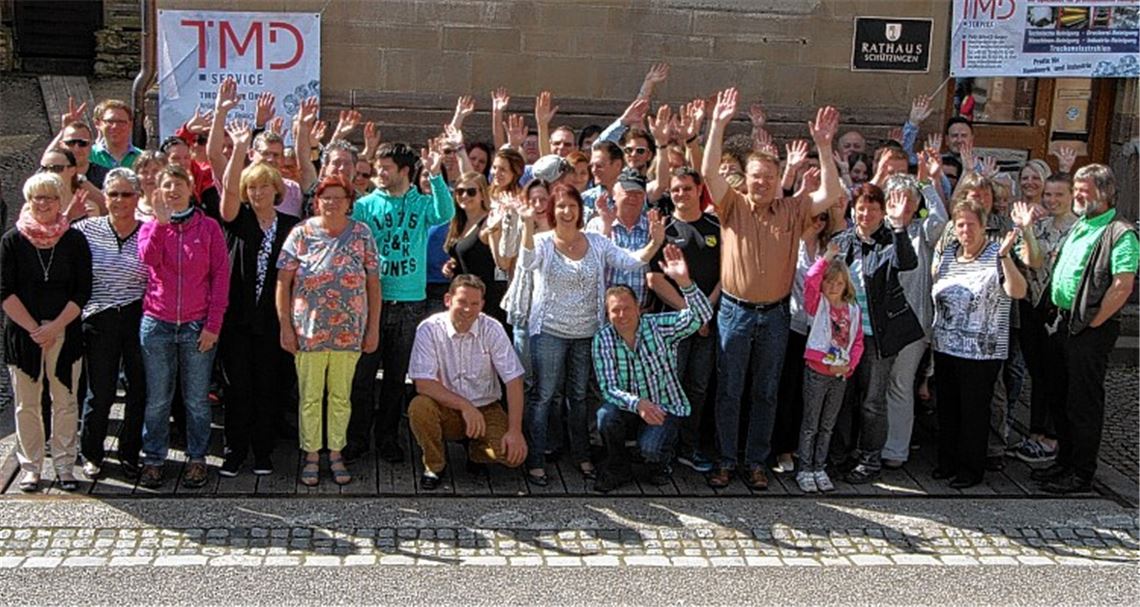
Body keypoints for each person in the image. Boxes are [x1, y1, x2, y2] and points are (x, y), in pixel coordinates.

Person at [699, 88, 844, 490]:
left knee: (765, 393)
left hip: (776, 314)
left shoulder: (793, 209)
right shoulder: (733, 206)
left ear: (778, 179)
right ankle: (726, 460)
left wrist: (824, 147)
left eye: (768, 177)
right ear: (745, 180)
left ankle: (756, 462)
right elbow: (709, 172)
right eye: (755, 177)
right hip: (734, 312)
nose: (761, 183)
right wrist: (717, 125)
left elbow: (830, 194)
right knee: (729, 392)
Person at [518, 184, 664, 486]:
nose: (567, 212)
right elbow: (525, 262)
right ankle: (535, 461)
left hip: (587, 333)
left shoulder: (597, 242)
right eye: (560, 206)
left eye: (572, 206)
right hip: (549, 331)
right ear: (552, 211)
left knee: (580, 398)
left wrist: (655, 242)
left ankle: (582, 456)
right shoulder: (542, 241)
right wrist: (526, 226)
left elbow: (630, 261)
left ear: (579, 210)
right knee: (544, 397)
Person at [346, 143, 453, 464]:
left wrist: (434, 175)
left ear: (405, 171)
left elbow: (445, 212)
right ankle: (357, 438)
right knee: (362, 376)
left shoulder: (421, 204)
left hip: (410, 303)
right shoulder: (365, 205)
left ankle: (388, 437)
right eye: (378, 166)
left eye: (386, 167)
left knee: (396, 377)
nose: (380, 172)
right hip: (371, 301)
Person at [1035, 164, 1138, 494]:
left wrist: (1092, 322)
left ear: (1105, 193)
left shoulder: (1121, 233)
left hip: (1089, 329)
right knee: (1060, 397)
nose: (1077, 195)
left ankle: (1081, 473)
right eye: (1076, 188)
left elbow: (1122, 286)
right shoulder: (1082, 223)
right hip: (1062, 323)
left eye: (1084, 189)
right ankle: (1064, 461)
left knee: (1083, 402)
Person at [277, 175, 381, 487]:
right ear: (316, 202)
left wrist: (372, 328)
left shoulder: (362, 234)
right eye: (326, 197)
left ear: (350, 202)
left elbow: (374, 284)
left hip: (349, 332)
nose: (332, 203)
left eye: (339, 197)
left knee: (340, 396)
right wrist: (285, 326)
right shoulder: (301, 233)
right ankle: (311, 454)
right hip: (308, 331)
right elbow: (283, 282)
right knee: (309, 397)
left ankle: (336, 452)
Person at [215, 123, 301, 477]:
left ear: (276, 189)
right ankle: (234, 452)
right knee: (237, 389)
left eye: (264, 185)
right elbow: (229, 196)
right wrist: (238, 148)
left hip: (273, 322)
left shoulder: (291, 226)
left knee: (268, 387)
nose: (258, 192)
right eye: (252, 186)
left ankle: (263, 453)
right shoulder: (238, 220)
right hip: (236, 321)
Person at [137, 165, 230, 489]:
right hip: (158, 323)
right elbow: (148, 259)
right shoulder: (150, 226)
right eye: (166, 185)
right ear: (157, 191)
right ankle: (153, 459)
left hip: (196, 325)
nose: (173, 191)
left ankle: (197, 458)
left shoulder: (209, 229)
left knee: (195, 399)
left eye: (179, 184)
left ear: (191, 188)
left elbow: (220, 279)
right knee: (159, 399)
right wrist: (161, 225)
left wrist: (213, 325)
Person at [592, 244, 714, 492]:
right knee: (605, 416)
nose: (622, 314)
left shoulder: (659, 326)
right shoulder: (603, 338)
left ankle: (660, 461)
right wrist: (638, 403)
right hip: (631, 406)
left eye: (627, 307)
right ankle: (618, 466)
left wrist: (685, 283)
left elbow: (701, 317)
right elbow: (608, 387)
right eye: (615, 310)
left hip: (664, 404)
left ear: (639, 307)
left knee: (651, 450)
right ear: (607, 314)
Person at [1, 173, 92, 492]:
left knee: (65, 399)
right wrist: (35, 329)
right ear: (29, 201)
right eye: (37, 198)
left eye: (50, 198)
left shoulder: (74, 240)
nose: (43, 204)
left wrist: (54, 327)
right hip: (24, 332)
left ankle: (66, 464)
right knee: (27, 403)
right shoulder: (12, 240)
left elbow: (83, 291)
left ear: (60, 202)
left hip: (64, 329)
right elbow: (4, 290)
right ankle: (31, 467)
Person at [827, 184, 924, 483]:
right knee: (842, 398)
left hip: (878, 335)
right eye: (861, 207)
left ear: (882, 212)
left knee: (872, 400)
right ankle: (840, 455)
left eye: (872, 208)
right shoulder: (841, 241)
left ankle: (870, 459)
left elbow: (908, 262)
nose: (865, 213)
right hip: (845, 334)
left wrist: (897, 226)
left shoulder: (890, 241)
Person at [931, 200, 1025, 489]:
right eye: (960, 224)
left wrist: (1006, 257)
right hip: (945, 345)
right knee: (947, 408)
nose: (966, 230)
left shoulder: (997, 254)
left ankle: (971, 469)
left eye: (972, 224)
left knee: (974, 411)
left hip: (982, 351)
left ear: (984, 226)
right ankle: (947, 462)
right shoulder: (948, 253)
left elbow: (1018, 291)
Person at [407, 274, 528, 490]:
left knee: (512, 456)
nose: (468, 309)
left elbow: (514, 379)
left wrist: (515, 430)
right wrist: (465, 406)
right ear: (448, 300)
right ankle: (434, 465)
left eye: (474, 304)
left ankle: (477, 452)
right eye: (462, 302)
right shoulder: (429, 328)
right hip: (446, 409)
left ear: (482, 304)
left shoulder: (493, 328)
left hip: (486, 408)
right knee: (419, 407)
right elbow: (423, 383)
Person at [645, 167, 721, 473]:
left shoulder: (715, 227)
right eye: (675, 189)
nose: (680, 194)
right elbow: (654, 278)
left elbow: (724, 277)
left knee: (698, 388)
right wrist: (691, 314)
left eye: (686, 189)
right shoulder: (665, 229)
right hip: (672, 322)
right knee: (669, 386)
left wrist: (705, 313)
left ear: (699, 189)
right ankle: (662, 452)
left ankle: (688, 449)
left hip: (708, 323)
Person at [75, 168, 148, 480]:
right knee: (100, 391)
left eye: (126, 194)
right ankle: (91, 453)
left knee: (138, 390)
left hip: (137, 316)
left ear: (137, 197)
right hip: (99, 318)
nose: (119, 200)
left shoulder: (148, 231)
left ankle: (130, 454)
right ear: (104, 197)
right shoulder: (86, 230)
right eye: (113, 194)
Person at [1010, 173, 1077, 463]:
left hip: (1061, 311)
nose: (1051, 200)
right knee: (1038, 373)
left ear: (1073, 196)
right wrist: (1026, 231)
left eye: (1058, 195)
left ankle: (1052, 437)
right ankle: (1036, 433)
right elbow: (1032, 260)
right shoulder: (1042, 225)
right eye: (1048, 195)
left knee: (1056, 375)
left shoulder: (1079, 229)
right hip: (1033, 306)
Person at [797, 245, 863, 493]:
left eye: (839, 283)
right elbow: (811, 280)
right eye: (830, 282)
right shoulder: (818, 305)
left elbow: (857, 342)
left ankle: (819, 466)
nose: (834, 287)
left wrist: (850, 366)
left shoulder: (853, 309)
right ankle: (805, 467)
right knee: (811, 423)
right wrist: (825, 259)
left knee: (828, 424)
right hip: (817, 370)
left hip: (839, 373)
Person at [445, 172, 508, 326]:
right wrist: (452, 263)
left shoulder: (490, 222)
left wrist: (494, 232)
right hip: (462, 297)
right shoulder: (458, 222)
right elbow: (465, 253)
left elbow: (501, 262)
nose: (465, 195)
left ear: (482, 195)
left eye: (471, 191)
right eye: (459, 191)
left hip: (486, 300)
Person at [90, 99, 142, 170]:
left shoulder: (141, 158)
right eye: (110, 121)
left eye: (121, 122)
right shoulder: (88, 156)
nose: (115, 126)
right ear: (98, 124)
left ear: (130, 125)